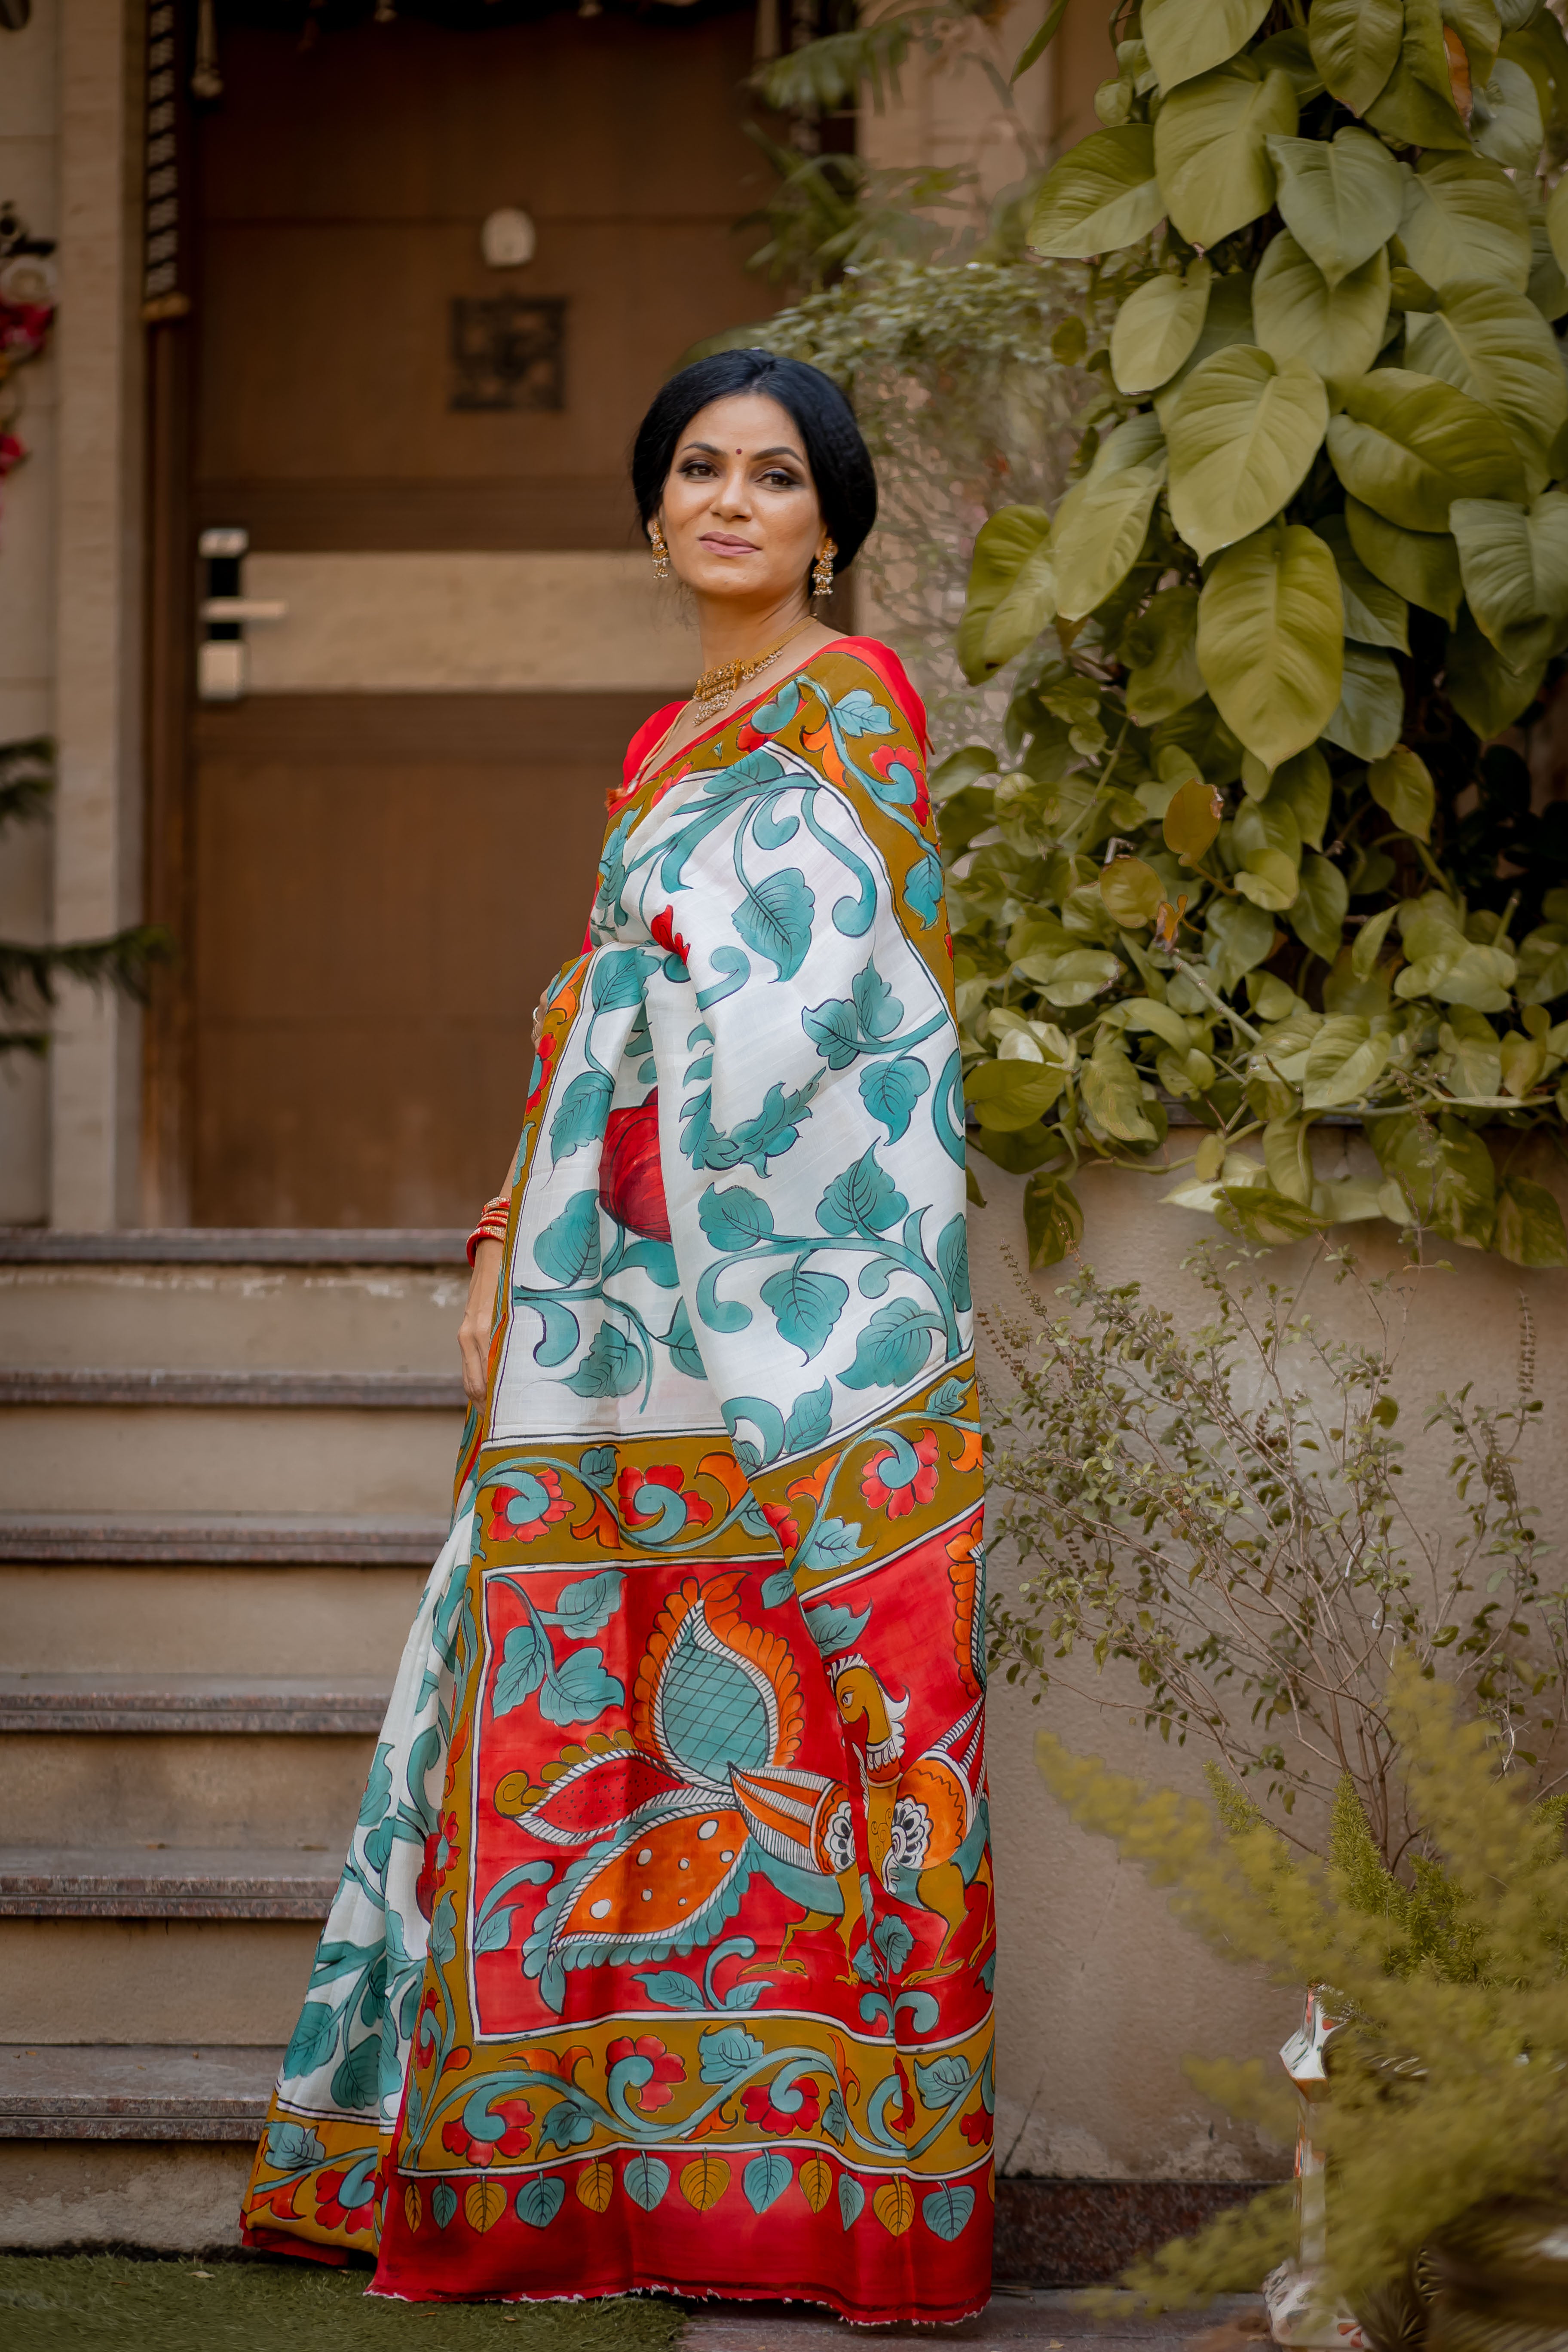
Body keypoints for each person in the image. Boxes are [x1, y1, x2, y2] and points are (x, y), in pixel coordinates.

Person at [242, 350, 994, 2323]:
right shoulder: (666, 744)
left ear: (832, 518)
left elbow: (848, 1004)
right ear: (654, 509)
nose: (730, 501)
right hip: (613, 1314)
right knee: (584, 1682)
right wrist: (506, 1233)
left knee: (804, 1717)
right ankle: (588, 2177)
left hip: (778, 1323)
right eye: (695, 471)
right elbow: (603, 1013)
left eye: (772, 475)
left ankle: (819, 2202)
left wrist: (635, 995)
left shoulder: (856, 710)